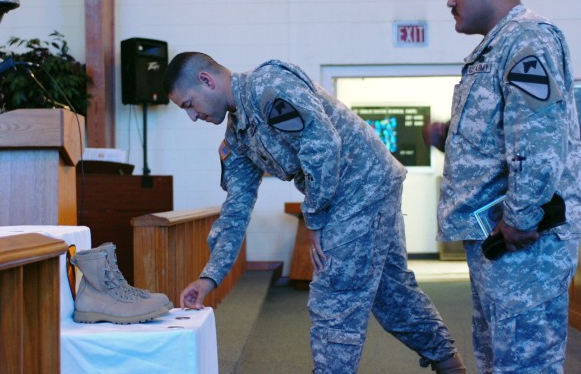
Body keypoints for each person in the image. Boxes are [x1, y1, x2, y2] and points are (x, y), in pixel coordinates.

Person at [163, 52, 467, 373]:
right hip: (355, 190)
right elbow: (236, 209)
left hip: (361, 182)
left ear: (206, 81)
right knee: (392, 294)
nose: (192, 117)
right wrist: (209, 277)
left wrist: (316, 217)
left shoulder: (268, 87)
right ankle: (452, 366)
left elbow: (323, 145)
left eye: (188, 105)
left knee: (334, 297)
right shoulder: (237, 137)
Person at [439, 0, 581, 372]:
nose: (450, 0)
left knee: (523, 366)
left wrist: (521, 217)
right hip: (499, 248)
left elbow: (540, 140)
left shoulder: (527, 39)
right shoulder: (496, 48)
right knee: (499, 362)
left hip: (523, 248)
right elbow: (501, 138)